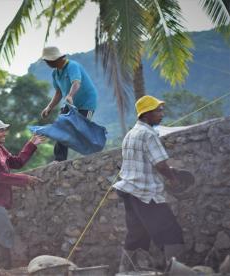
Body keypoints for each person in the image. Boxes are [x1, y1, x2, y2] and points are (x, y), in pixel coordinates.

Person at [113, 96, 185, 272]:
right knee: (171, 233)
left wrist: (167, 170)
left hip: (129, 191)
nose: (162, 114)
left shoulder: (130, 134)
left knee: (137, 235)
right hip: (146, 193)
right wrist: (173, 179)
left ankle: (126, 271)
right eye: (158, 110)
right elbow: (160, 164)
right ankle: (175, 272)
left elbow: (144, 162)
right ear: (146, 114)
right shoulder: (149, 134)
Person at [0, 118, 45, 269]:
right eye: (1, 130)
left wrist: (32, 144)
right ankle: (3, 270)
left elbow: (17, 162)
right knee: (3, 231)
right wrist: (25, 179)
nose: (4, 133)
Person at [40, 46, 98, 161]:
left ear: (56, 59)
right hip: (70, 103)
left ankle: (91, 154)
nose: (47, 63)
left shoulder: (72, 66)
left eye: (48, 61)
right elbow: (58, 92)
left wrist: (71, 95)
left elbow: (76, 82)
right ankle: (59, 159)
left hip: (86, 102)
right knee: (61, 127)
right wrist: (49, 107)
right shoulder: (55, 74)